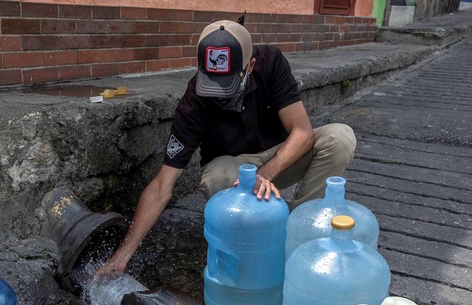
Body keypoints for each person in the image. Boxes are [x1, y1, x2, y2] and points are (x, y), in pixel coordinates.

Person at [96, 18, 356, 276]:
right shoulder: (193, 100)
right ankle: (251, 240)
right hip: (234, 171)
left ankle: (298, 229)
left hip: (282, 153)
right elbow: (162, 186)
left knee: (340, 138)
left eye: (228, 83)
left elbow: (301, 133)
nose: (219, 93)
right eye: (211, 83)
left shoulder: (271, 62)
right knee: (216, 177)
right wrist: (121, 256)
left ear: (250, 65)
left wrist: (263, 175)